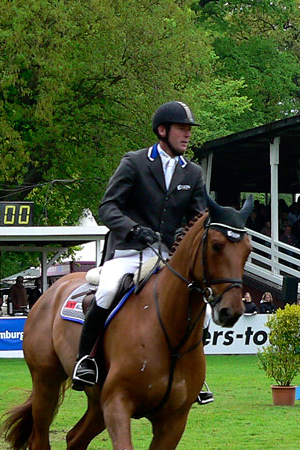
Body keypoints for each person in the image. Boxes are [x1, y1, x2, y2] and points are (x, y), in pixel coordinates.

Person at [72, 100, 205, 390]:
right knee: (107, 292)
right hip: (129, 251)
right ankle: (86, 360)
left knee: (195, 301)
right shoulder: (134, 162)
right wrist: (133, 229)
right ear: (162, 130)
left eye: (188, 129)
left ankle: (191, 374)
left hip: (168, 254)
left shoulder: (192, 173)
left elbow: (197, 217)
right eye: (182, 129)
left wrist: (188, 236)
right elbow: (108, 207)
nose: (187, 134)